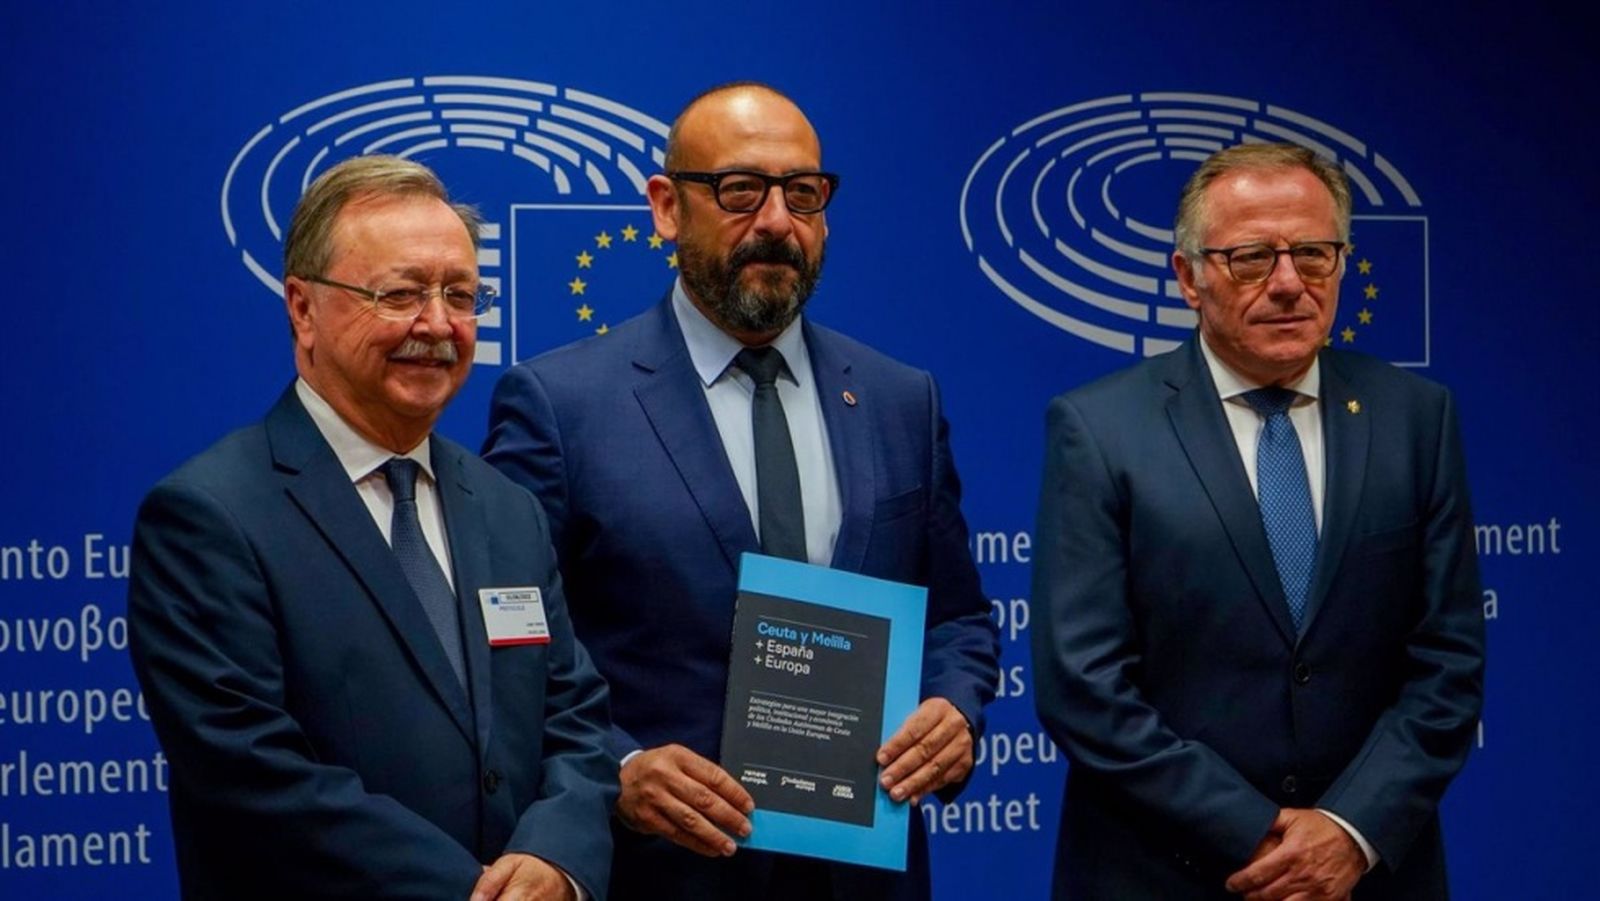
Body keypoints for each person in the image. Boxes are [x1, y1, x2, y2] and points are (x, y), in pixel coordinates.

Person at [482, 82, 1000, 901]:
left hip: (866, 874)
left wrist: (954, 707)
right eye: (740, 190)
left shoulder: (901, 398)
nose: (776, 221)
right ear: (666, 207)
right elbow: (511, 644)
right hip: (664, 873)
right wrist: (618, 766)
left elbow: (958, 616)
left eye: (803, 194)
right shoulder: (560, 404)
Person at [128, 155, 615, 901]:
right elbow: (249, 774)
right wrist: (473, 893)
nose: (438, 324)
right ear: (302, 308)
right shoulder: (209, 516)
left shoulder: (506, 507)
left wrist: (557, 858)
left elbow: (574, 719)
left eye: (460, 294)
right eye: (399, 294)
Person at [1030, 142, 1485, 900]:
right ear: (1189, 278)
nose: (1288, 283)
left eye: (1312, 254)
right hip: (1165, 873)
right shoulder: (1099, 429)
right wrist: (1261, 833)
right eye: (1251, 259)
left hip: (1365, 876)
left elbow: (1449, 662)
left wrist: (1348, 831)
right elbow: (1083, 686)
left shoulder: (1416, 418)